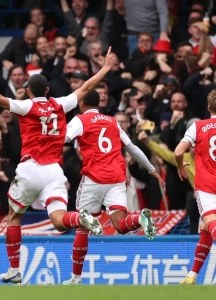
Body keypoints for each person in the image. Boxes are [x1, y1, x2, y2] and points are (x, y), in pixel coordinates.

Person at [0, 47, 116, 284]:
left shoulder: (27, 106)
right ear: (47, 91)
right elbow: (86, 88)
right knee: (60, 220)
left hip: (30, 169)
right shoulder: (60, 104)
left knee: (14, 217)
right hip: (54, 171)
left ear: (28, 91)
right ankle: (80, 219)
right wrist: (106, 68)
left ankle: (15, 270)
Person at [62, 90, 165, 285]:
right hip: (117, 178)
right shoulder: (112, 121)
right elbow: (131, 147)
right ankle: (140, 218)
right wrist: (151, 168)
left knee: (82, 228)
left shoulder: (80, 120)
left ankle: (75, 278)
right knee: (121, 224)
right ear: (98, 103)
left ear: (82, 103)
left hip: (93, 177)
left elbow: (63, 139)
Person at [174, 89, 216, 285]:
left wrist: (180, 165)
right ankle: (192, 276)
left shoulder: (198, 126)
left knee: (212, 227)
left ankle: (192, 276)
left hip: (207, 188)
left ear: (208, 108)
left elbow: (178, 151)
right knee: (206, 231)